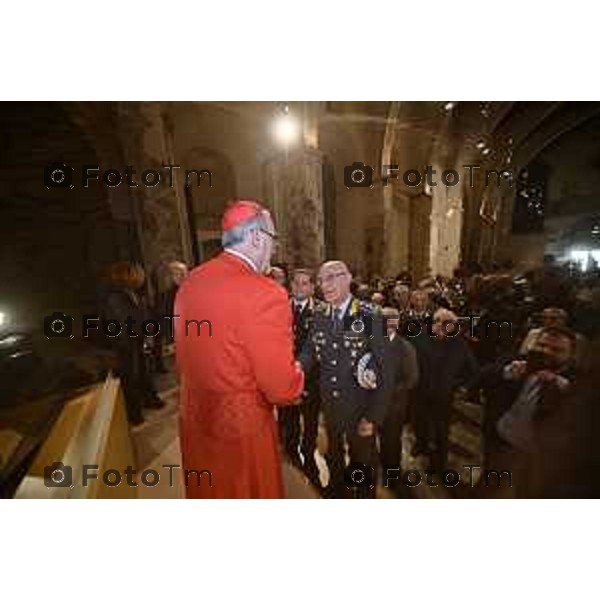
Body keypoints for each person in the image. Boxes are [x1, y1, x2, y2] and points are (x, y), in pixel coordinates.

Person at [175, 199, 304, 499]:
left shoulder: (191, 281)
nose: (273, 249)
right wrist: (296, 372)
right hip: (241, 433)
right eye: (272, 239)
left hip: (194, 419)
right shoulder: (266, 293)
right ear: (257, 237)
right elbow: (281, 389)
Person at [298, 260, 389, 499]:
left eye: (331, 278)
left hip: (361, 408)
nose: (324, 285)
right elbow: (309, 350)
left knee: (364, 462)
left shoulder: (367, 315)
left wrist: (374, 416)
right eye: (320, 280)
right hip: (331, 406)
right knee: (334, 456)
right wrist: (297, 368)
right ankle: (337, 493)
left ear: (348, 278)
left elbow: (385, 372)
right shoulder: (320, 314)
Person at [480, 326, 577, 496]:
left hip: (539, 458)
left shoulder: (577, 382)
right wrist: (507, 372)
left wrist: (564, 388)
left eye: (557, 350)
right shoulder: (519, 360)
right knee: (487, 489)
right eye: (542, 345)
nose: (546, 352)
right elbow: (482, 376)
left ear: (570, 355)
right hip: (501, 441)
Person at [411, 308, 478, 472]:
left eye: (446, 322)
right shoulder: (419, 338)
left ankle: (438, 463)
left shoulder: (460, 345)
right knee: (419, 423)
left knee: (441, 431)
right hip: (419, 392)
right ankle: (421, 444)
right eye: (437, 320)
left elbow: (472, 370)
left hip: (443, 397)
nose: (440, 325)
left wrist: (458, 386)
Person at [100, 262, 164, 426]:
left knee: (144, 371)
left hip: (137, 340)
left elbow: (143, 315)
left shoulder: (133, 293)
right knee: (130, 377)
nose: (142, 275)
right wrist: (144, 335)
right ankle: (134, 413)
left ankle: (149, 400)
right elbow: (127, 322)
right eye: (138, 272)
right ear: (127, 276)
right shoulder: (116, 297)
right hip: (126, 343)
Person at [278, 268, 322, 488]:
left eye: (305, 283)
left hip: (311, 379)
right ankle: (291, 450)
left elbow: (315, 347)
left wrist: (299, 369)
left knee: (311, 421)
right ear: (290, 285)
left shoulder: (322, 311)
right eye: (296, 283)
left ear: (313, 287)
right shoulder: (279, 309)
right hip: (285, 378)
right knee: (289, 419)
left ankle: (308, 452)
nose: (299, 287)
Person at [378, 306, 419, 496]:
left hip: (394, 406)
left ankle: (392, 475)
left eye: (391, 320)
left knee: (392, 442)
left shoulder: (406, 348)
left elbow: (412, 378)